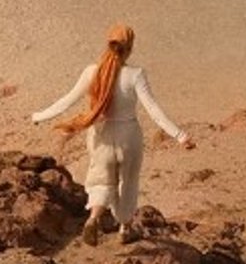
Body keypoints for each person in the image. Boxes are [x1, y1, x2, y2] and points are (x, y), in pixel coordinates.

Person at [31, 24, 192, 245]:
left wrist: (39, 116)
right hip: (129, 136)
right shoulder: (135, 75)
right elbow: (153, 110)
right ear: (130, 48)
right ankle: (125, 228)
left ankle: (93, 218)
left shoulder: (92, 72)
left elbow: (67, 100)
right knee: (128, 182)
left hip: (101, 135)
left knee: (101, 179)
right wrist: (180, 135)